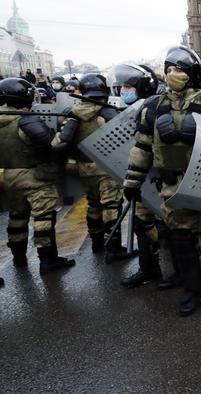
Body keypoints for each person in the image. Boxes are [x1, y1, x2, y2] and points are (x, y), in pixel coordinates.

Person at [122, 46, 201, 316]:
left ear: (191, 73)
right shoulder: (152, 107)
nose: (174, 74)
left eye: (180, 69)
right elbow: (142, 147)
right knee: (181, 240)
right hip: (174, 184)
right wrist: (132, 181)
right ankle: (192, 290)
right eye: (170, 69)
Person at [55, 74, 136, 263]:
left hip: (84, 167)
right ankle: (113, 248)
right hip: (106, 167)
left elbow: (62, 141)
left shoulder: (73, 113)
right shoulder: (107, 112)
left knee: (94, 204)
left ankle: (97, 243)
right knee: (111, 205)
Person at [0, 78, 75, 274]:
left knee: (17, 218)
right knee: (44, 218)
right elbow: (55, 144)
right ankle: (47, 260)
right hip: (35, 177)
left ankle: (19, 259)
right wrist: (70, 122)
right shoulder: (26, 120)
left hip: (9, 177)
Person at [107, 63, 166, 288]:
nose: (123, 91)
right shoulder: (130, 110)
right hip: (142, 178)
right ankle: (148, 269)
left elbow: (145, 148)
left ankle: (182, 276)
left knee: (173, 226)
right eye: (122, 86)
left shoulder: (156, 108)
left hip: (160, 177)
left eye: (129, 87)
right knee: (142, 223)